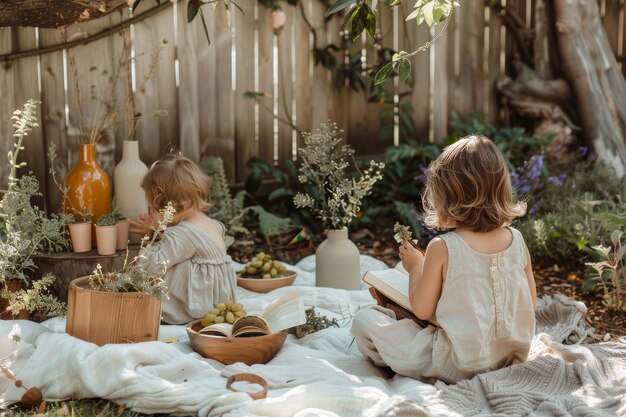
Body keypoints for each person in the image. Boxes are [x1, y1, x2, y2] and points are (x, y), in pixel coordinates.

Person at [351, 134, 537, 384]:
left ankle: (406, 366)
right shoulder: (517, 239)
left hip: (457, 364)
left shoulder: (444, 246)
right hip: (511, 356)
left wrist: (415, 266)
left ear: (446, 197)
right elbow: (530, 302)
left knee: (366, 321)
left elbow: (422, 309)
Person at [130, 153, 237, 325]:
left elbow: (151, 269)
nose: (151, 213)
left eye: (153, 208)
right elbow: (184, 248)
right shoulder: (212, 224)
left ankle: (170, 312)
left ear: (171, 207)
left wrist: (149, 238)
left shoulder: (182, 234)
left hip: (193, 311)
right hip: (217, 305)